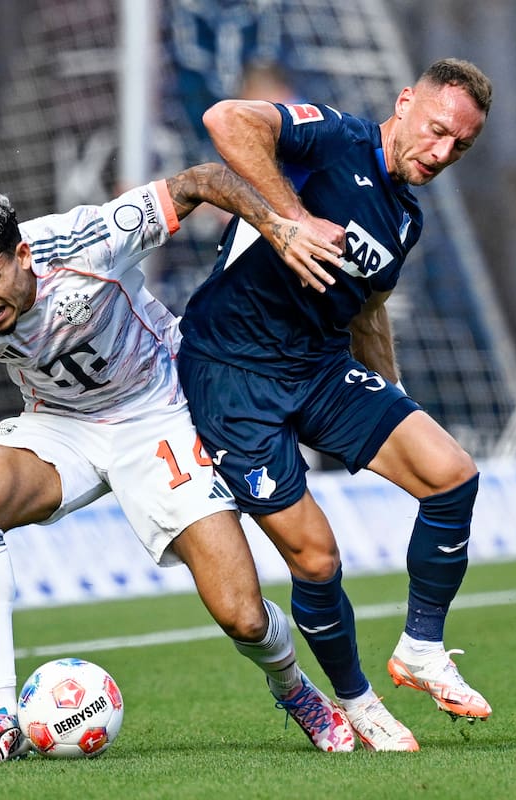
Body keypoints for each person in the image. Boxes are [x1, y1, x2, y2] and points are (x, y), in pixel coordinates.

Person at [0, 165, 356, 763]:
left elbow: (203, 179)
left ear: (22, 255)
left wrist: (279, 227)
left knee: (242, 617)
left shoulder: (90, 239)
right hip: (60, 425)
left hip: (158, 412)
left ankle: (294, 688)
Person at [176, 59, 493, 748]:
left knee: (451, 475)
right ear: (405, 103)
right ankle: (357, 702)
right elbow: (226, 119)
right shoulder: (333, 136)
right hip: (233, 375)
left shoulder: (404, 218)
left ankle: (421, 648)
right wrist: (289, 220)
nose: (442, 152)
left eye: (460, 146)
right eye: (437, 129)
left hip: (319, 367)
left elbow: (368, 313)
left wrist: (395, 402)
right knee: (317, 559)